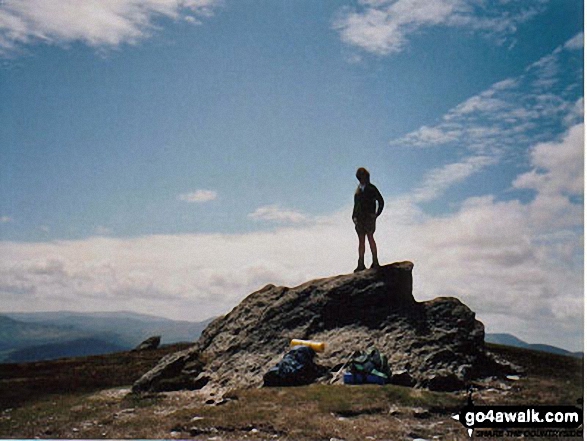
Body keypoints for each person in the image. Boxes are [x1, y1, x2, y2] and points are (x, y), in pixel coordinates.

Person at [352, 167, 384, 272]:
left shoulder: (371, 188)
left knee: (370, 237)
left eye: (362, 176)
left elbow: (381, 201)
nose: (361, 179)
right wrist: (354, 216)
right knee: (361, 241)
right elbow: (356, 205)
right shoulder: (358, 190)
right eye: (359, 177)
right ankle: (360, 263)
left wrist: (376, 214)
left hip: (369, 218)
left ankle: (375, 261)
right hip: (360, 219)